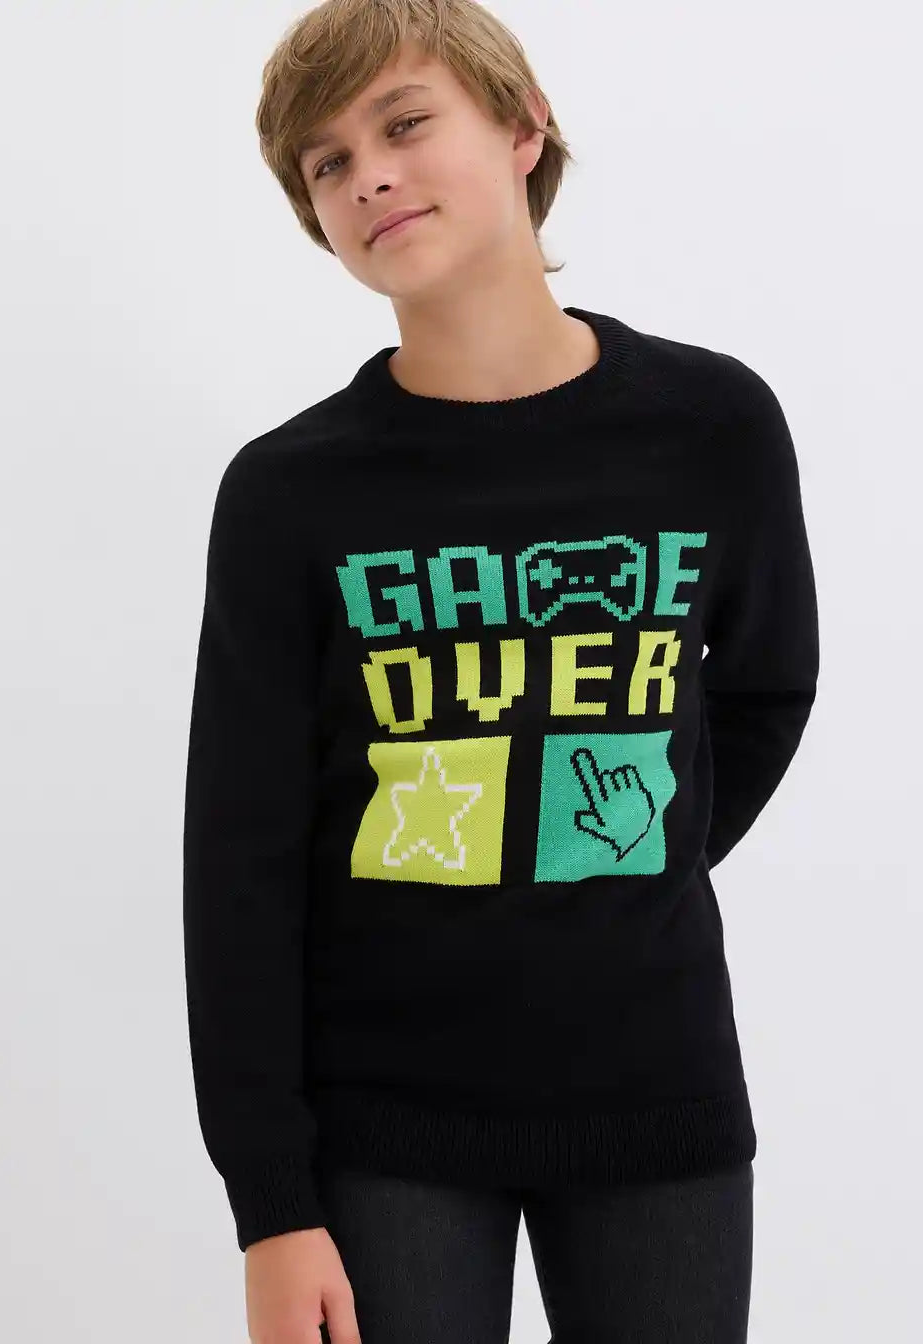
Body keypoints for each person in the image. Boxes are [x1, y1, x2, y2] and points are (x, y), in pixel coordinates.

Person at [181, 2, 820, 1341]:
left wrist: (621, 852)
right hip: (381, 1125)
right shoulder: (290, 495)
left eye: (404, 124)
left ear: (526, 126)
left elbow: (765, 690)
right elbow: (238, 865)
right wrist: (271, 1206)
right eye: (328, 161)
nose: (370, 175)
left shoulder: (712, 426)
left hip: (657, 1092)